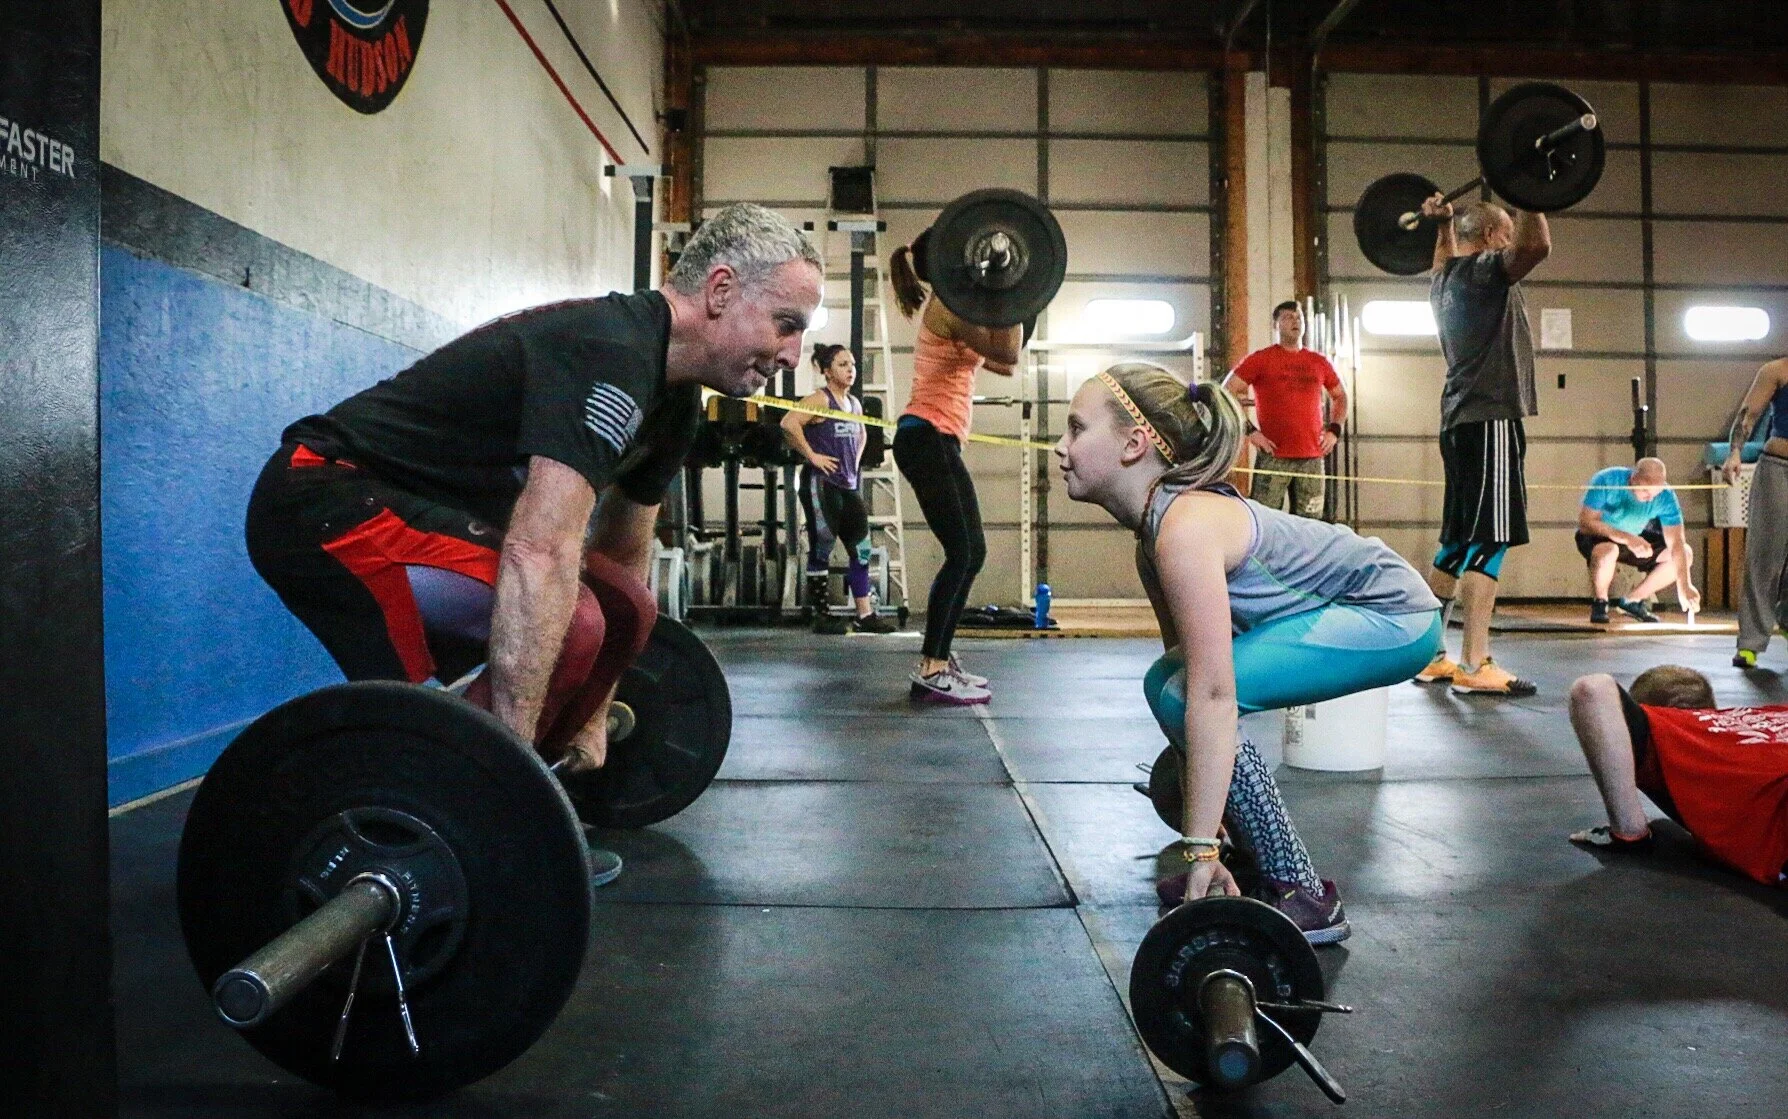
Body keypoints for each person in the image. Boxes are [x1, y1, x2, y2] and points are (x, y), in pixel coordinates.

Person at [245, 203, 823, 885]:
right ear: (721, 291)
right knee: (571, 619)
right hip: (324, 500)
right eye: (788, 326)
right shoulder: (610, 351)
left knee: (627, 608)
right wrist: (511, 791)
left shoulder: (674, 400)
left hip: (402, 510)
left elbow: (626, 557)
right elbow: (539, 553)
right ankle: (460, 814)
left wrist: (595, 713)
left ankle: (477, 795)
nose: (793, 356)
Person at [1055, 362, 1443, 941]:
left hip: (1395, 615)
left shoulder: (1184, 527)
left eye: (1076, 429)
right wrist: (1205, 830)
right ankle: (1242, 867)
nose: (1059, 447)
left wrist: (1198, 845)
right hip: (1359, 609)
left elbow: (1212, 696)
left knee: (1192, 692)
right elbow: (1187, 682)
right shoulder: (1156, 532)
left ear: (1135, 444)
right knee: (1165, 682)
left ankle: (1301, 889)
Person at [1414, 195, 1551, 696]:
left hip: (1459, 420)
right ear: (1495, 238)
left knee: (1455, 540)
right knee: (1489, 537)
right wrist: (1533, 194)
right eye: (1506, 234)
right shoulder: (1485, 271)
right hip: (1490, 417)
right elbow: (1538, 246)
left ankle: (1430, 656)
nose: (1511, 242)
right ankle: (1475, 663)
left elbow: (1441, 257)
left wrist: (1443, 224)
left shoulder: (1445, 279)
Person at [887, 229, 1024, 704]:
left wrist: (1017, 293)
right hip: (926, 436)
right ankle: (932, 666)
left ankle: (940, 658)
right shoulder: (947, 306)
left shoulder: (959, 311)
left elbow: (1008, 362)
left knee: (969, 552)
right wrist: (1012, 292)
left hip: (936, 441)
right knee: (966, 552)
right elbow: (1005, 350)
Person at [1566, 666, 1788, 887]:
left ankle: (1629, 832)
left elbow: (1591, 689)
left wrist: (1628, 832)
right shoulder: (1773, 712)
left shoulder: (1663, 738)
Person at [781, 343, 896, 634]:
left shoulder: (855, 405)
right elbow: (788, 423)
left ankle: (865, 615)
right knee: (822, 547)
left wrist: (853, 468)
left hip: (847, 485)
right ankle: (821, 614)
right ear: (828, 371)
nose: (851, 370)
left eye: (853, 365)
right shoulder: (820, 400)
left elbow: (860, 438)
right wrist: (813, 456)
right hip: (821, 483)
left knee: (862, 549)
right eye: (843, 365)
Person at [1223, 300, 1347, 519]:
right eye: (1288, 317)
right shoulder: (1261, 359)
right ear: (1276, 325)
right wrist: (1250, 431)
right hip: (1274, 455)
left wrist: (1334, 431)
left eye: (1299, 317)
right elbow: (1227, 391)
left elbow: (1340, 396)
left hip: (1312, 457)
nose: (1295, 321)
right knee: (1264, 521)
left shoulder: (1318, 362)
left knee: (1312, 526)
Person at [1721, 357, 1788, 668]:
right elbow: (1748, 415)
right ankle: (1750, 642)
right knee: (1765, 555)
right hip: (1779, 468)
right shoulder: (1776, 371)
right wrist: (1735, 451)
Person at [1577, 457, 1699, 624]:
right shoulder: (1607, 480)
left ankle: (1633, 600)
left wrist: (1684, 585)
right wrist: (1626, 538)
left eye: (1655, 493)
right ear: (1634, 479)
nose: (1650, 498)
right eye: (1645, 491)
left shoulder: (1666, 496)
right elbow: (1586, 522)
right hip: (1601, 535)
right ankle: (1600, 601)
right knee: (1608, 552)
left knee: (1685, 553)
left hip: (1636, 536)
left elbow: (1676, 541)